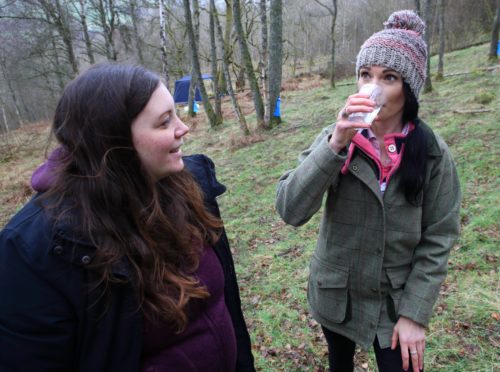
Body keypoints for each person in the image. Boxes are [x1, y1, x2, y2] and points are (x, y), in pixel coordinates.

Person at [0, 63, 255, 372]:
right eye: (164, 122)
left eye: (175, 113)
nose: (183, 128)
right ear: (113, 140)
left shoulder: (189, 186)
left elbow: (223, 307)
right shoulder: (35, 250)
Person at [276, 10, 461, 372]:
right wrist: (335, 145)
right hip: (336, 295)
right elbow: (290, 210)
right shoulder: (336, 137)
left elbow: (439, 238)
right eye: (365, 75)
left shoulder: (433, 154)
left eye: (388, 77)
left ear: (408, 88)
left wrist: (415, 314)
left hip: (394, 305)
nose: (372, 87)